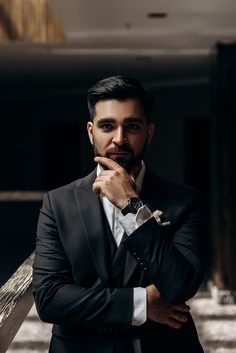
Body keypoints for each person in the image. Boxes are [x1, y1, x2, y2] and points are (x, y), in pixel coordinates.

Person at [32, 76, 204, 353]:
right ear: (91, 132)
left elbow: (181, 286)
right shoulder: (58, 202)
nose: (119, 139)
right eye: (107, 126)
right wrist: (140, 304)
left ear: (149, 132)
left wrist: (132, 204)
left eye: (132, 126)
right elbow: (50, 299)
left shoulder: (185, 200)